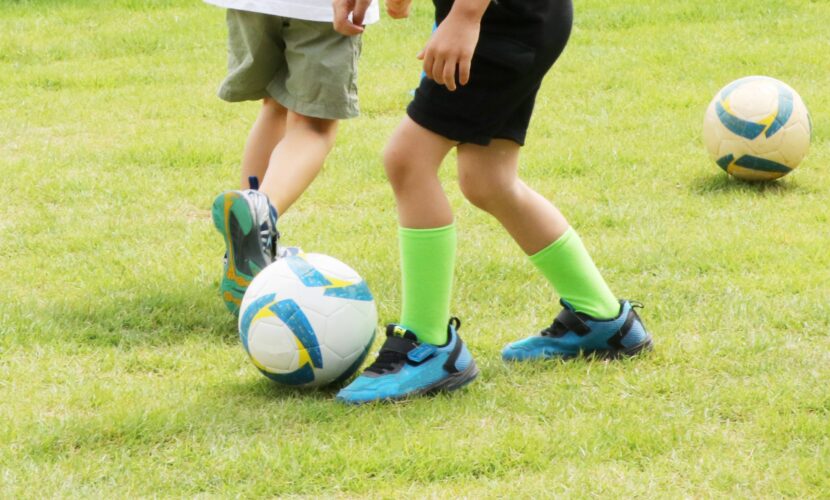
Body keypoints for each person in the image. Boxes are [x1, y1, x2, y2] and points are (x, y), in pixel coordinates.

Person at [332, 0, 653, 404]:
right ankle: (604, 321)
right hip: (516, 16)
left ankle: (428, 344)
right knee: (488, 180)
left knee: (408, 160)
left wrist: (466, 15)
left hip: (500, 19)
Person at [205, 0, 379, 315]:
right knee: (313, 126)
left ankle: (246, 250)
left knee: (275, 103)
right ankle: (258, 220)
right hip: (321, 9)